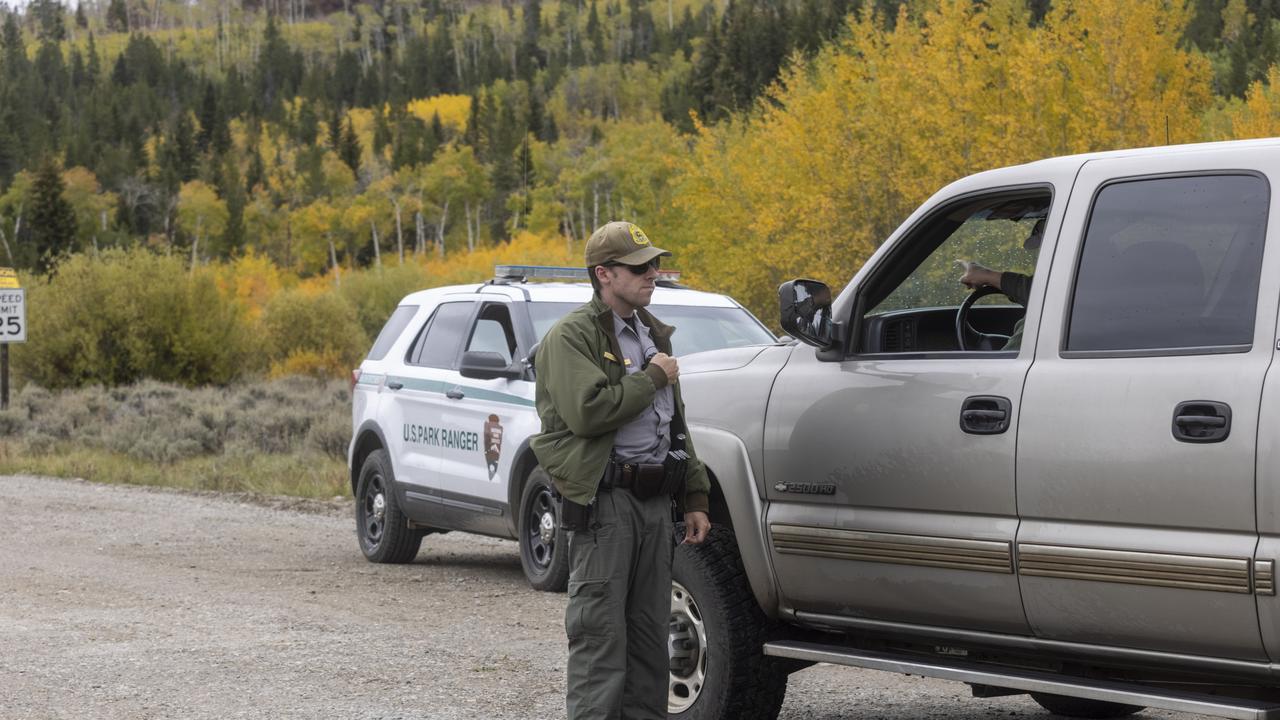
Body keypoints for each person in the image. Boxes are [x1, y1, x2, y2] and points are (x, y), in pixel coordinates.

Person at [531, 220, 712, 720]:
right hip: (606, 503)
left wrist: (694, 495)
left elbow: (674, 425)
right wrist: (653, 376)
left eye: (653, 263)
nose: (652, 273)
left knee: (649, 640)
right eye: (639, 267)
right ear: (604, 274)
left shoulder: (652, 334)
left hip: (655, 502)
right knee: (600, 640)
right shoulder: (572, 336)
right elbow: (587, 412)